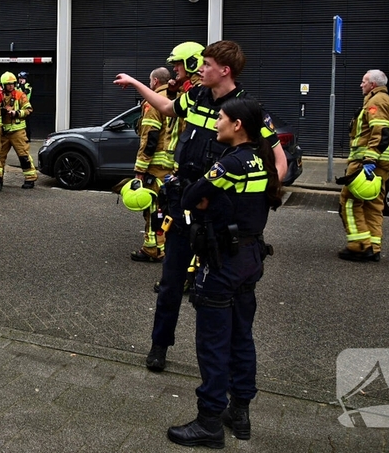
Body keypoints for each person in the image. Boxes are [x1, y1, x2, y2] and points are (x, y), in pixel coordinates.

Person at [113, 40, 288, 374]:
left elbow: (278, 162)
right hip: (186, 202)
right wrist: (137, 84)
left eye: (206, 64)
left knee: (223, 292)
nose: (200, 69)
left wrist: (259, 196)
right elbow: (166, 109)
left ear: (225, 70)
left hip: (222, 214)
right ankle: (159, 346)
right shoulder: (195, 96)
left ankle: (224, 367)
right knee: (170, 282)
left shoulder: (248, 110)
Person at [166, 97, 282, 448]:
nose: (215, 122)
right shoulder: (261, 159)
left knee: (213, 343)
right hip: (249, 257)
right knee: (241, 337)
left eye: (220, 118)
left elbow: (190, 198)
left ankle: (209, 422)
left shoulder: (230, 164)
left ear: (237, 126)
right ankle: (240, 411)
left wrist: (199, 196)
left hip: (223, 262)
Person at [337, 69, 389, 262]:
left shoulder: (376, 102)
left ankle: (360, 246)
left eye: (363, 81)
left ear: (372, 84)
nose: (360, 85)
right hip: (383, 164)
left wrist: (369, 161)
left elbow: (380, 132)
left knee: (348, 201)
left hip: (367, 163)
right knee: (374, 205)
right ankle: (374, 247)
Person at [130, 67, 175, 262]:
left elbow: (150, 137)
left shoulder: (153, 102)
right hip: (174, 165)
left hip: (156, 168)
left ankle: (152, 249)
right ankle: (167, 246)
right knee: (169, 209)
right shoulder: (178, 98)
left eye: (150, 81)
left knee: (152, 208)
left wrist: (140, 170)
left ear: (155, 81)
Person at [0, 72, 37, 189]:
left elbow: (28, 109)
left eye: (12, 84)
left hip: (18, 131)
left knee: (23, 156)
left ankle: (30, 179)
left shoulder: (20, 95)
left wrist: (16, 113)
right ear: (3, 85)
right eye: (8, 84)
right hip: (4, 132)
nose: (10, 86)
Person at [17, 72, 33, 140]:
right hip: (18, 106)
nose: (20, 80)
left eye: (22, 78)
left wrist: (22, 85)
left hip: (26, 106)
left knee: (27, 123)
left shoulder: (28, 86)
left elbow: (25, 92)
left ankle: (28, 137)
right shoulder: (17, 85)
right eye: (19, 78)